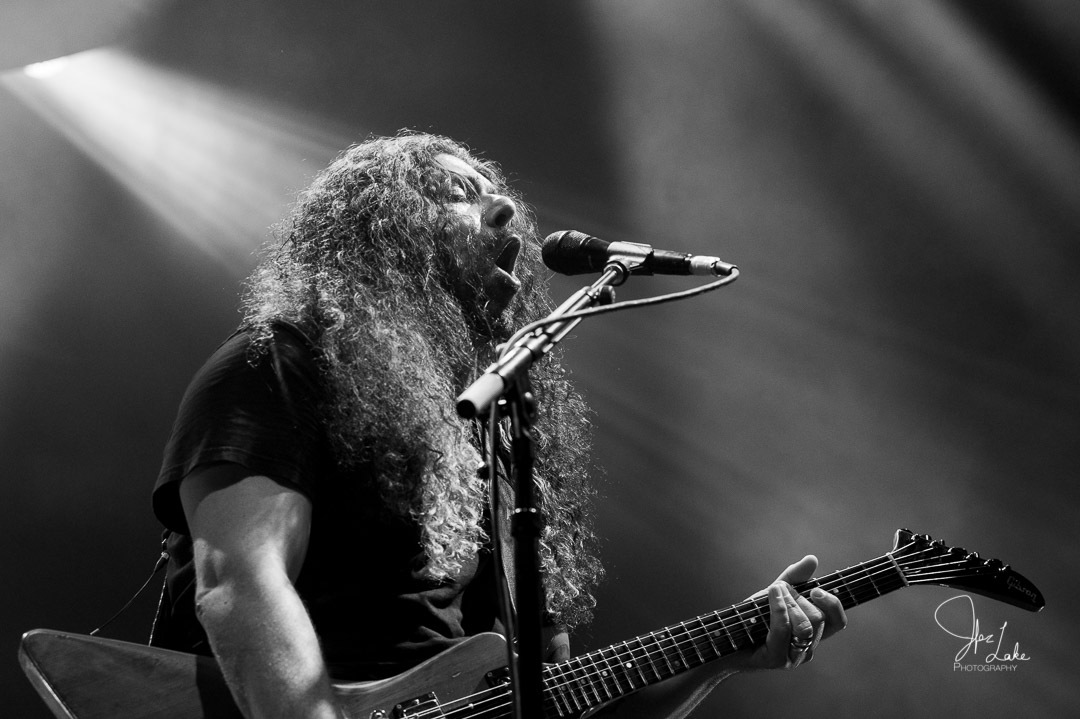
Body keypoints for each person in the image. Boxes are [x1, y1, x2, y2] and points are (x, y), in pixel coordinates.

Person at [150, 131, 846, 719]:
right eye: (459, 192)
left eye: (496, 192)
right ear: (385, 231)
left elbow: (558, 705)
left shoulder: (495, 437)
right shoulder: (286, 361)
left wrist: (724, 654)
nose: (507, 207)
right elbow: (238, 583)